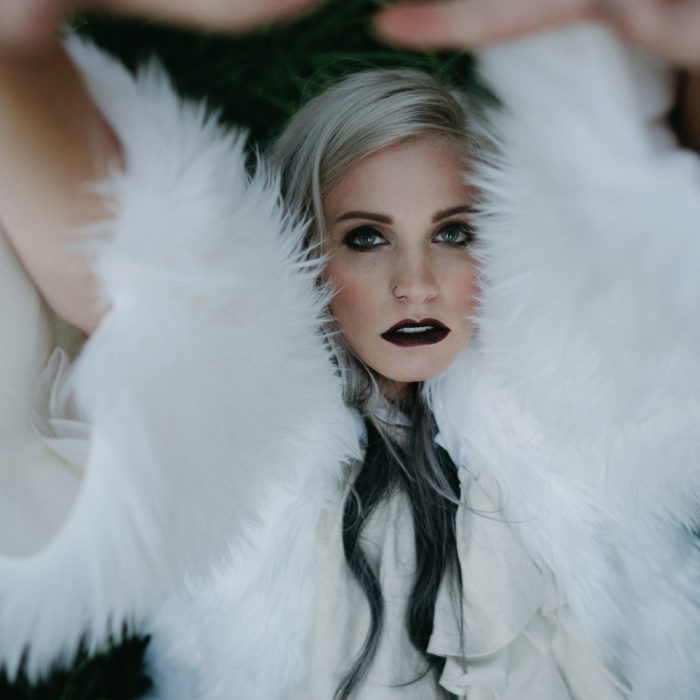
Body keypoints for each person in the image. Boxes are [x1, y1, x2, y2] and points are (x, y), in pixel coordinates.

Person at [1, 1, 699, 699]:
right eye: (366, 238)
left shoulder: (573, 396)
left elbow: (667, 239)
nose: (415, 285)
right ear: (302, 256)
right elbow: (129, 268)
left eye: (453, 233)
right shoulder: (252, 436)